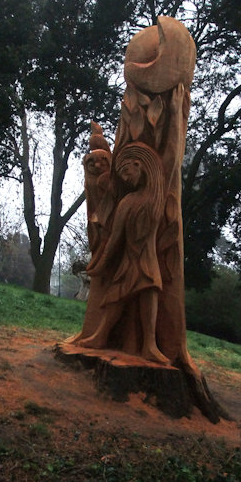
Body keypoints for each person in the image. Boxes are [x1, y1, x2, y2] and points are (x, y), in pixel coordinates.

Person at [79, 141, 169, 364]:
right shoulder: (127, 202)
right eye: (121, 175)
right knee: (115, 296)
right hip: (129, 260)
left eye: (127, 172)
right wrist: (101, 263)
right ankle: (100, 335)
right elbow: (115, 238)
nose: (126, 179)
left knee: (150, 292)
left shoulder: (158, 197)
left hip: (148, 259)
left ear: (139, 165)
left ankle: (149, 344)